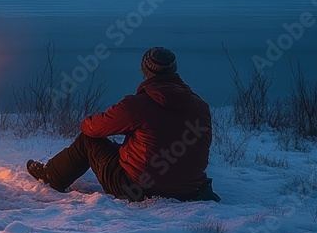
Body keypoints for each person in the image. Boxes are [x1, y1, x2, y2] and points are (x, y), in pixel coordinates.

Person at [26, 47, 220, 202]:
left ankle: (52, 176)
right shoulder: (200, 105)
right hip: (190, 188)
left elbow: (93, 128)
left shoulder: (135, 105)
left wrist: (88, 121)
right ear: (174, 69)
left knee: (88, 139)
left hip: (138, 188)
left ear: (145, 71)